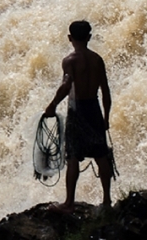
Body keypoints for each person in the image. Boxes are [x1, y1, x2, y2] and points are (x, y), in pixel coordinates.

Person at [43, 20, 113, 211]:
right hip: (95, 108)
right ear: (89, 37)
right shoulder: (97, 60)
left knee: (73, 156)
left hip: (78, 110)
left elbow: (66, 86)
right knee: (101, 156)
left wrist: (52, 106)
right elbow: (106, 91)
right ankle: (107, 201)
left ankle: (69, 203)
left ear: (69, 38)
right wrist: (106, 118)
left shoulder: (70, 61)